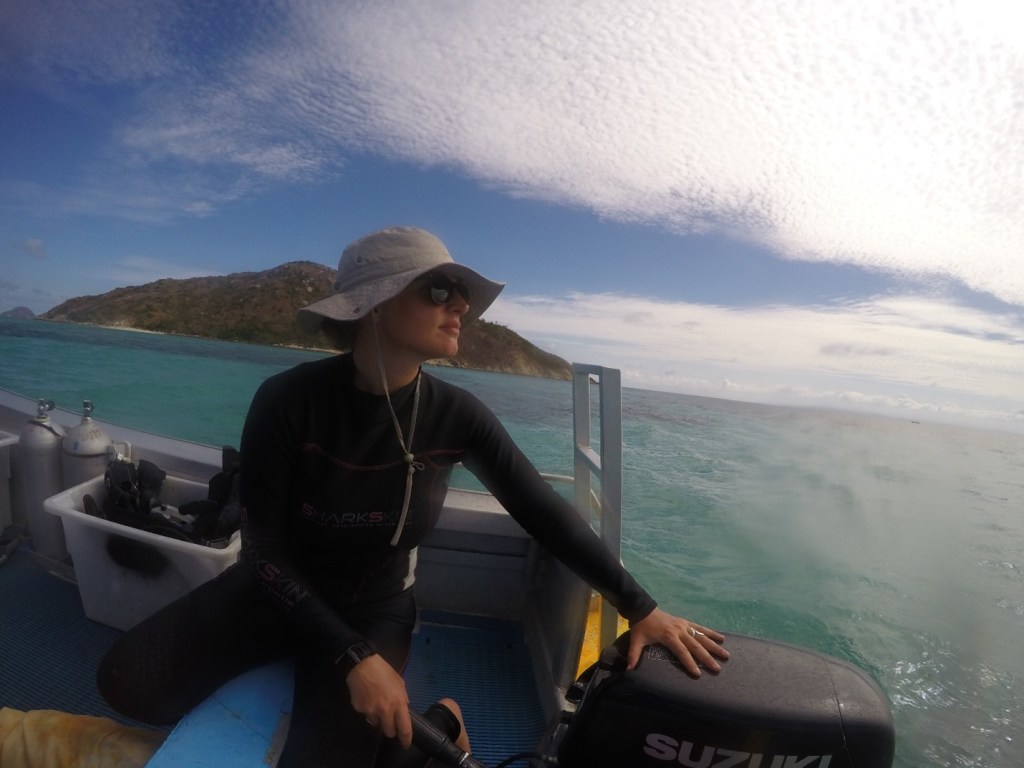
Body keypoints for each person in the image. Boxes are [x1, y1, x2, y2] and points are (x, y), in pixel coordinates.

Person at [98, 227, 729, 767]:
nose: (461, 306)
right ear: (372, 306)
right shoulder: (287, 402)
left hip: (375, 608)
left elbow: (542, 511)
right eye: (438, 290)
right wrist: (347, 658)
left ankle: (444, 721)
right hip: (275, 592)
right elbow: (263, 550)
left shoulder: (457, 415)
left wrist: (640, 606)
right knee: (126, 686)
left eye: (463, 294)